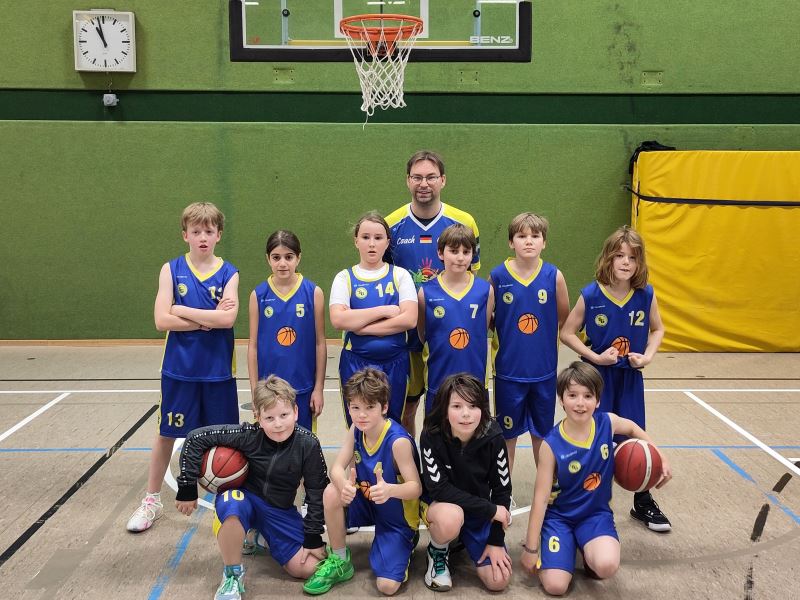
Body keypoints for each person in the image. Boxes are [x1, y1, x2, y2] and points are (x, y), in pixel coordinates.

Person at [127, 201, 240, 533]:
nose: (202, 237)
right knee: (166, 434)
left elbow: (228, 319)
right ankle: (151, 500)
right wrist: (207, 319)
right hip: (179, 369)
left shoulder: (229, 273)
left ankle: (233, 504)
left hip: (218, 371)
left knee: (226, 442)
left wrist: (182, 310)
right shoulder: (171, 269)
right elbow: (161, 320)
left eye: (209, 231)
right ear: (185, 235)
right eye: (196, 231)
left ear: (219, 235)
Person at [520, 361, 672, 595]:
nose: (580, 403)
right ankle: (560, 547)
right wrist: (531, 548)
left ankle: (585, 548)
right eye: (572, 395)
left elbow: (632, 428)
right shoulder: (551, 445)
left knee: (605, 566)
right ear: (561, 400)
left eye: (588, 396)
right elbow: (540, 499)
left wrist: (660, 456)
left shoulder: (606, 423)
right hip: (559, 517)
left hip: (594, 515)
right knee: (555, 586)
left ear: (598, 400)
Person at [175, 376, 329, 600]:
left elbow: (317, 491)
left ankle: (260, 537)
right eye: (269, 418)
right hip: (246, 499)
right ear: (258, 417)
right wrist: (187, 487)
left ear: (296, 412)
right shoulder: (248, 436)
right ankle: (232, 575)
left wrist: (313, 536)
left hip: (279, 510)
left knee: (307, 567)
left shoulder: (308, 444)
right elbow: (194, 438)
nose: (278, 424)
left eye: (284, 415)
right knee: (231, 503)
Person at [559, 225, 671, 532]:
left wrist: (647, 356)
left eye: (632, 258)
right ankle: (588, 499)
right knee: (595, 436)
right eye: (620, 255)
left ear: (639, 263)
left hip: (629, 376)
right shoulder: (591, 294)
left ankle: (643, 500)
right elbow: (567, 333)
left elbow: (658, 329)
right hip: (597, 379)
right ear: (608, 258)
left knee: (635, 436)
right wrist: (595, 358)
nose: (625, 262)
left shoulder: (645, 295)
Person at [385, 150, 481, 436]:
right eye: (417, 177)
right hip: (408, 334)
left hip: (449, 334)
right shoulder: (391, 225)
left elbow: (472, 277)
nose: (423, 184)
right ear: (407, 180)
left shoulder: (464, 221)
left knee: (454, 402)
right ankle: (411, 459)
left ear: (443, 180)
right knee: (408, 405)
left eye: (430, 177)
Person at [303, 368, 423, 596]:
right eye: (355, 407)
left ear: (384, 407)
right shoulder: (356, 429)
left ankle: (407, 542)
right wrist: (344, 486)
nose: (361, 415)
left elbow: (415, 488)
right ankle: (340, 561)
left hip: (395, 513)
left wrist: (390, 490)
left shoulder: (397, 442)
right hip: (367, 499)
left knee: (387, 586)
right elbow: (336, 468)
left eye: (369, 407)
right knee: (331, 492)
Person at [489, 213, 569, 474]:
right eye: (521, 236)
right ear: (510, 242)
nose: (528, 241)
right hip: (508, 373)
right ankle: (504, 490)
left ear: (544, 242)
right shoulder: (498, 277)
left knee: (542, 436)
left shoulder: (554, 276)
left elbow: (563, 317)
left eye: (535, 236)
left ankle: (547, 488)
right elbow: (489, 319)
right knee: (507, 436)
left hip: (543, 372)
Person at [419, 373, 512, 592]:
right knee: (451, 518)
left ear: (482, 408)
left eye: (473, 406)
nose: (466, 414)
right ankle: (438, 550)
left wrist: (496, 541)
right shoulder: (431, 435)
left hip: (477, 511)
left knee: (498, 580)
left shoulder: (494, 438)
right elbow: (439, 489)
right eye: (457, 406)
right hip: (441, 506)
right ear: (445, 409)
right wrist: (490, 510)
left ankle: (465, 537)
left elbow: (502, 491)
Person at [329, 212, 417, 426]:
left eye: (378, 238)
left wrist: (361, 327)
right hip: (356, 363)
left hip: (395, 363)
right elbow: (339, 320)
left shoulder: (400, 275)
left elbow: (409, 319)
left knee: (392, 424)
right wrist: (384, 310)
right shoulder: (344, 278)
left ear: (387, 242)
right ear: (356, 241)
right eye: (365, 237)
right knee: (359, 425)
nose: (371, 243)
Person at [248, 230, 326, 432]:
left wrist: (318, 388)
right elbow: (253, 347)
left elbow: (320, 343)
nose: (282, 263)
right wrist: (255, 392)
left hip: (303, 386)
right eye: (276, 257)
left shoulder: (313, 293)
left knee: (303, 443)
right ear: (268, 259)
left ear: (298, 258)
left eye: (288, 257)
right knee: (270, 443)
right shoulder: (258, 295)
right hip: (268, 390)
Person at [418, 224, 493, 412]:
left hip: (474, 380)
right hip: (438, 381)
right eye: (453, 251)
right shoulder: (426, 292)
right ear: (440, 253)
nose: (460, 257)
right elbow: (422, 334)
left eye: (466, 252)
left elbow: (482, 330)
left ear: (473, 255)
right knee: (438, 430)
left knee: (474, 428)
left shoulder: (485, 290)